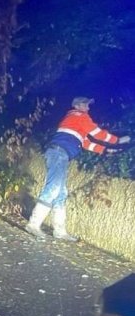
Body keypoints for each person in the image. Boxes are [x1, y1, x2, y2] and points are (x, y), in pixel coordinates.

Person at [25, 96, 131, 241]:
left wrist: (107, 151)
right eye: (86, 105)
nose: (88, 108)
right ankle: (33, 224)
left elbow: (87, 143)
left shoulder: (75, 122)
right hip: (59, 153)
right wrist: (117, 141)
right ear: (79, 106)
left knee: (61, 193)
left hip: (60, 154)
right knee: (54, 188)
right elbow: (98, 134)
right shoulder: (80, 116)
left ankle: (60, 232)